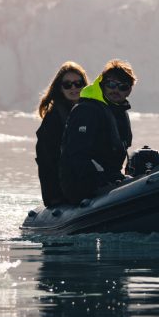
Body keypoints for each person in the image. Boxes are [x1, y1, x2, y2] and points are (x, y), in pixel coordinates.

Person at [59, 59, 136, 204]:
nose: (116, 90)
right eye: (111, 85)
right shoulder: (87, 110)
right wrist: (102, 181)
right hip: (82, 185)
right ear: (102, 84)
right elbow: (76, 154)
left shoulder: (119, 112)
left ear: (130, 90)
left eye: (123, 87)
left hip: (110, 181)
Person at [35, 61, 88, 207]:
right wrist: (55, 196)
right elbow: (47, 160)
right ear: (60, 88)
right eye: (67, 84)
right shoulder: (53, 119)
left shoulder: (91, 112)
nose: (73, 88)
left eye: (78, 83)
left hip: (89, 182)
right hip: (62, 191)